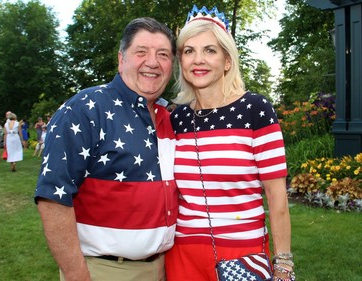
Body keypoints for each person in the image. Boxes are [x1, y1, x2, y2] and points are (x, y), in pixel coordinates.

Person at [34, 17, 178, 281]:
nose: (153, 62)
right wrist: (77, 275)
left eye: (163, 55)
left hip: (163, 268)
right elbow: (52, 199)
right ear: (121, 59)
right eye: (141, 52)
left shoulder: (169, 119)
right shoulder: (84, 109)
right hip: (104, 271)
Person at [165, 6, 294, 281]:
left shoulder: (255, 110)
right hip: (182, 257)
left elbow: (276, 196)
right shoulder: (177, 119)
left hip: (243, 253)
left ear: (227, 60)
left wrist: (283, 264)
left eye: (209, 50)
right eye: (189, 51)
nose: (198, 59)